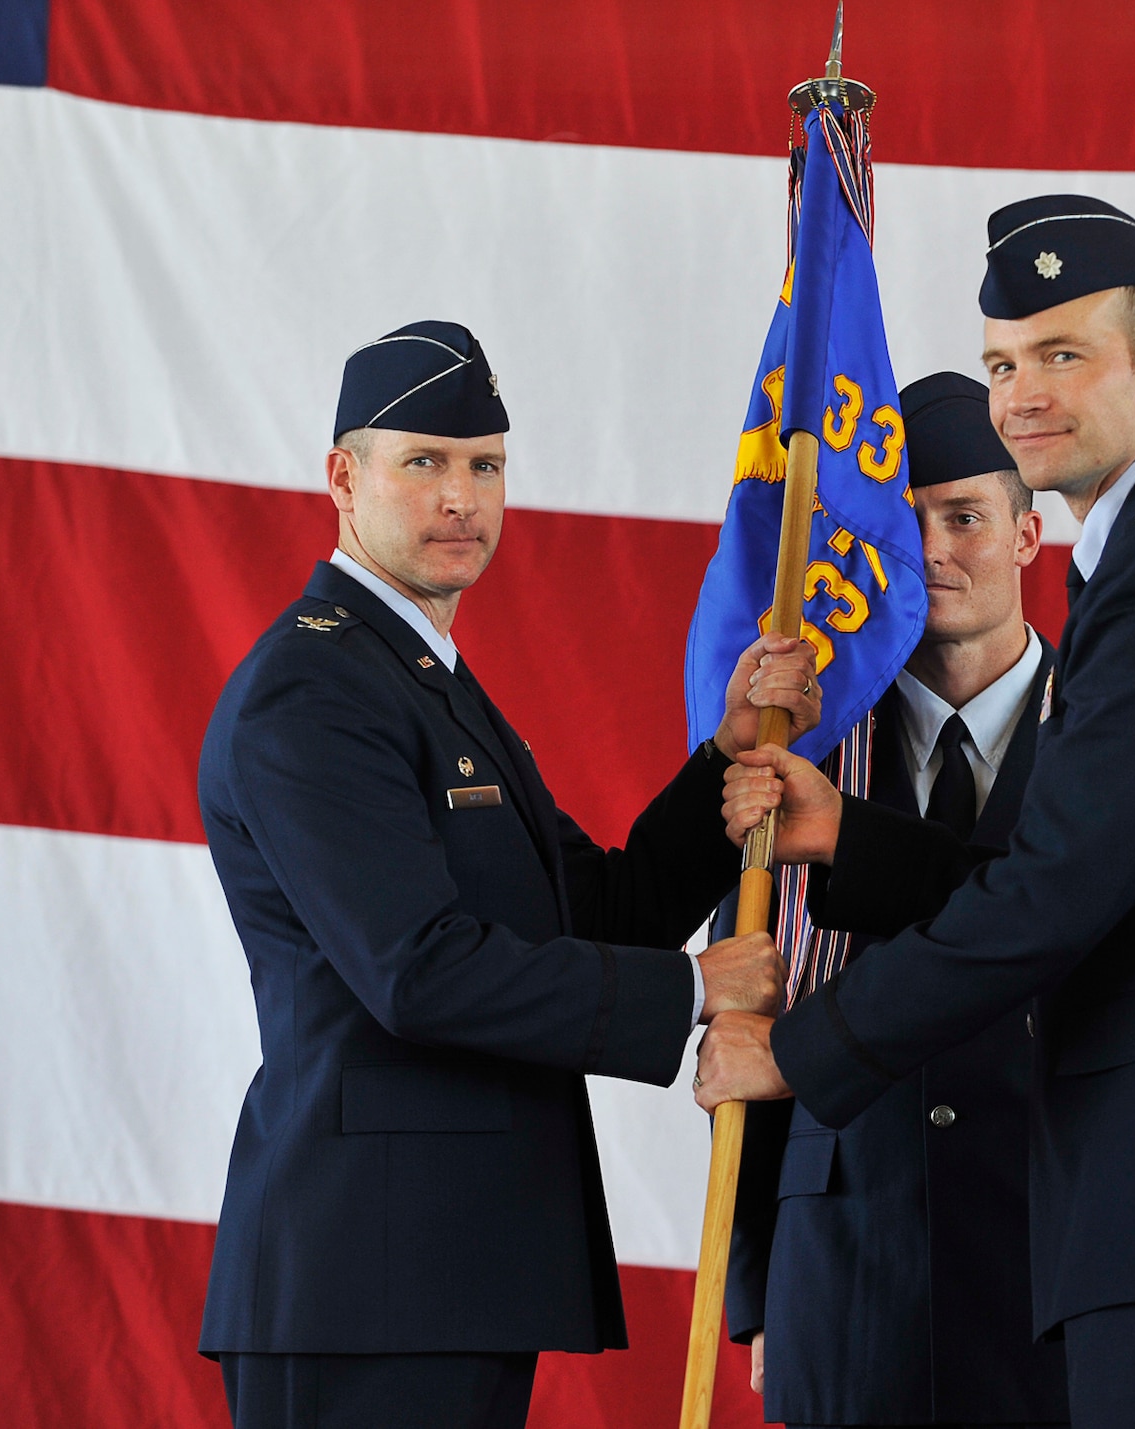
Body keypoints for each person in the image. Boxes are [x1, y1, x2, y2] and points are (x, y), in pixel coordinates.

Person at [702, 198, 1135, 1429]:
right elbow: (1077, 866)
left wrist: (798, 1050)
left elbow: (1053, 897)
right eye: (1000, 363)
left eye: (1061, 355)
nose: (1020, 392)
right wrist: (848, 835)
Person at [197, 320, 811, 1429]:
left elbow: (590, 907)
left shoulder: (420, 679)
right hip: (363, 1282)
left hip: (439, 1272)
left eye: (484, 464)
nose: (460, 498)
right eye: (422, 461)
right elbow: (415, 972)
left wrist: (722, 761)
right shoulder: (316, 691)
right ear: (342, 478)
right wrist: (691, 993)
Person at [725, 372, 1069, 1429]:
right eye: (903, 524)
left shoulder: (1110, 741)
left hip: (1053, 1266)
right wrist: (755, 1285)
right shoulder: (802, 747)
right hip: (845, 1267)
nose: (928, 553)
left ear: (1026, 533)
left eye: (963, 516)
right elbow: (749, 1010)